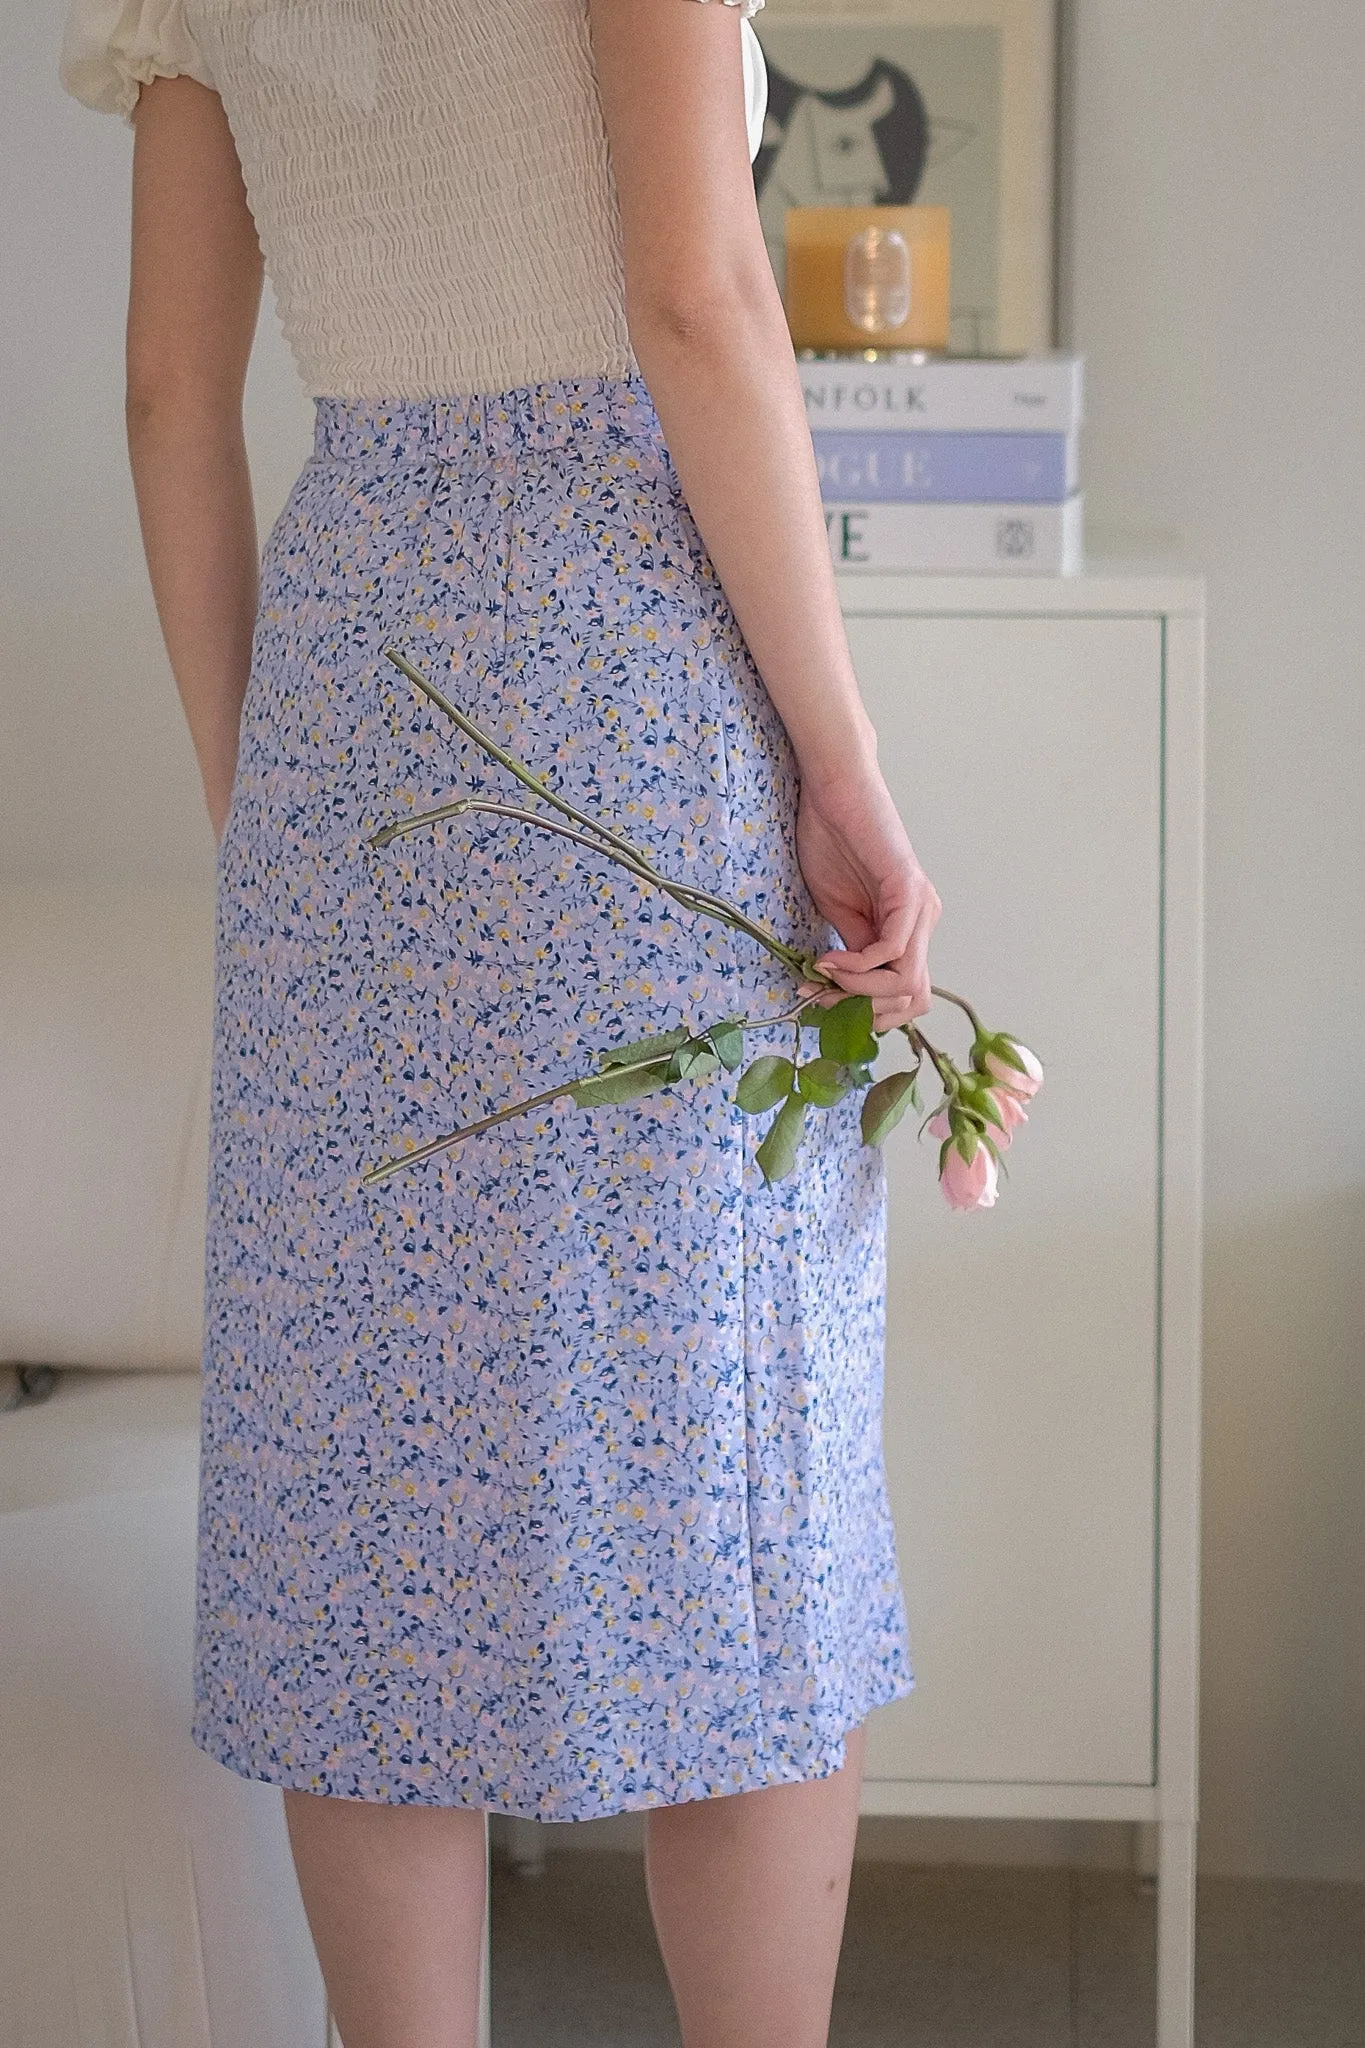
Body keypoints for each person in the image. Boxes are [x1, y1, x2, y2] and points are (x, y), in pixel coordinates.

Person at [60, 2, 941, 2043]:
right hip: (632, 687)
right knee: (722, 1461)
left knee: (369, 1491)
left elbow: (171, 391)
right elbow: (693, 299)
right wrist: (843, 761)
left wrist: (259, 799)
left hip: (353, 713)